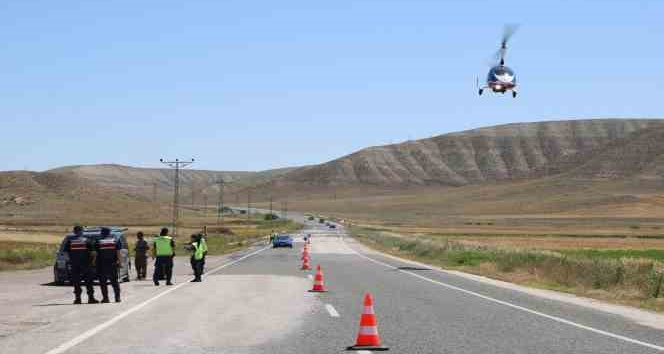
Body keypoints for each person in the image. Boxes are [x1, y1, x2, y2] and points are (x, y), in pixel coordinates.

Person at [63, 225, 98, 304]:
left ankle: (78, 299)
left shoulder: (70, 241)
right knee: (88, 282)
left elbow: (65, 254)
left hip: (75, 265)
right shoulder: (87, 241)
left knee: (76, 282)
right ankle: (91, 299)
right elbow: (93, 253)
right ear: (82, 231)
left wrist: (70, 262)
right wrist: (93, 262)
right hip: (86, 265)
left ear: (74, 232)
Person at [94, 227, 122, 303]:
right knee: (115, 282)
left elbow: (96, 254)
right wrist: (120, 262)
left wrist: (93, 262)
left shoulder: (98, 241)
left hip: (101, 265)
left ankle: (106, 298)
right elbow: (119, 253)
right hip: (112, 264)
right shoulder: (115, 240)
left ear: (102, 233)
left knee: (103, 283)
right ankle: (117, 298)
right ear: (109, 233)